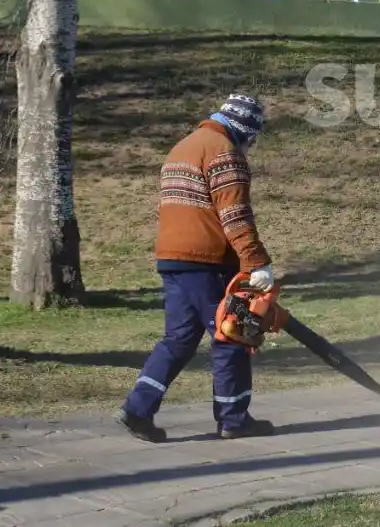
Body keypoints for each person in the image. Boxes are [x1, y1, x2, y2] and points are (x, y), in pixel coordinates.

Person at [117, 92, 278, 442]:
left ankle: (138, 409)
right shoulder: (224, 153)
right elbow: (235, 216)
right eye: (251, 140)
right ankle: (234, 418)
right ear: (245, 131)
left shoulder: (182, 148)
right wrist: (257, 263)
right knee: (233, 334)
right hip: (207, 262)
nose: (249, 148)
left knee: (178, 339)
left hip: (172, 259)